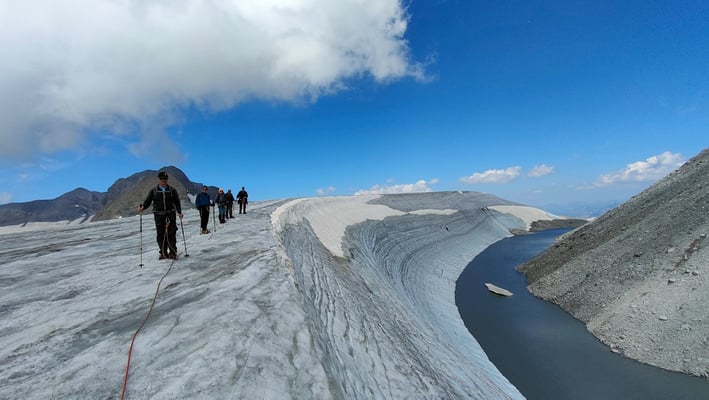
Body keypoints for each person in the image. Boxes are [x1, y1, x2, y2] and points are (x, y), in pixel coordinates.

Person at [138, 171, 184, 260]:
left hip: (170, 214)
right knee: (161, 234)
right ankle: (163, 252)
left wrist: (179, 212)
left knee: (171, 233)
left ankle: (172, 252)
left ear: (167, 179)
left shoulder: (172, 190)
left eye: (165, 178)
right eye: (161, 178)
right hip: (159, 215)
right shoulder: (154, 190)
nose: (163, 180)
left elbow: (177, 201)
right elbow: (148, 201)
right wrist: (143, 207)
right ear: (159, 179)